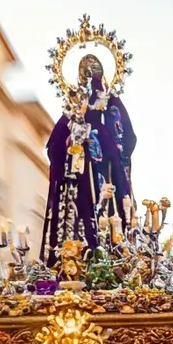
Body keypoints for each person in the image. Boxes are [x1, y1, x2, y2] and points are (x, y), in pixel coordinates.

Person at [42, 53, 137, 262]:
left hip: (105, 176)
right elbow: (54, 148)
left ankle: (111, 252)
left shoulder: (111, 107)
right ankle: (78, 254)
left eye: (94, 73)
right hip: (80, 179)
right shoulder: (73, 112)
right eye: (89, 74)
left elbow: (127, 139)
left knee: (109, 213)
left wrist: (111, 148)